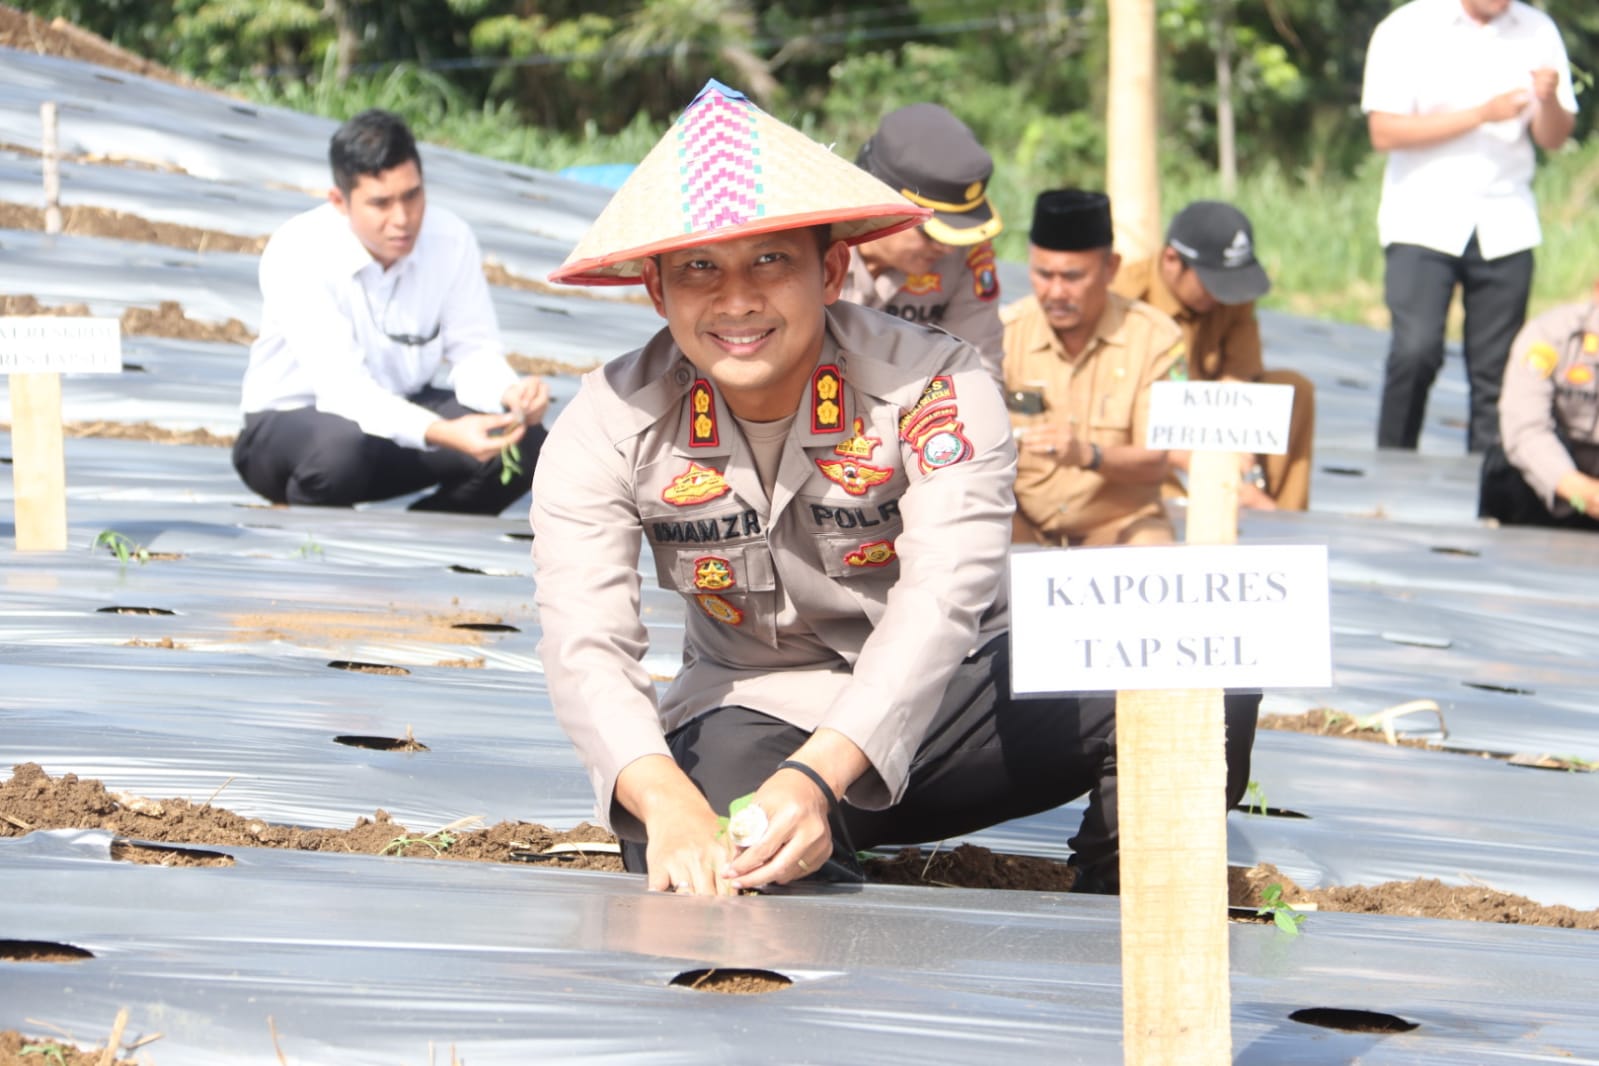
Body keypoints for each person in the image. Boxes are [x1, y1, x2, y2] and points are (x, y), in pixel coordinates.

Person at [531, 81, 1259, 898]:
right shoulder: (605, 422)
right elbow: (583, 639)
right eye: (699, 268)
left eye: (770, 259)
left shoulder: (939, 388)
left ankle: (1128, 908)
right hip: (763, 699)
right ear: (656, 290)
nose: (736, 299)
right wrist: (662, 799)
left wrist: (816, 778)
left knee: (1204, 657)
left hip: (964, 686)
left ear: (832, 268)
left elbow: (942, 600)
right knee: (725, 866)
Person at [233, 109, 550, 514]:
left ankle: (425, 546)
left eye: (412, 196)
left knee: (525, 442)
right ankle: (307, 543)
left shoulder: (449, 239)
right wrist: (444, 433)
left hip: (402, 413)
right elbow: (344, 391)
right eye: (380, 203)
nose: (402, 219)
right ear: (339, 202)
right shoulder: (299, 250)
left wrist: (510, 392)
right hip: (291, 428)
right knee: (340, 451)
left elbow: (473, 350)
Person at [1361, 0, 1577, 454]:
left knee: (1497, 369)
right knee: (1415, 352)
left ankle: (1491, 497)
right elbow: (1384, 132)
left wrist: (1550, 98)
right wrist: (1481, 114)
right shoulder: (1407, 27)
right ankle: (1390, 470)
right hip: (1422, 216)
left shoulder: (1538, 30)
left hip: (1506, 220)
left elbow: (1553, 139)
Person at [1002, 189, 1184, 547]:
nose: (1055, 292)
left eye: (1072, 277)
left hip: (1118, 528)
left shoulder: (1157, 339)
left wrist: (1088, 454)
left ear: (1111, 268)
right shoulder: (1005, 334)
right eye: (1042, 274)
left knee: (1154, 550)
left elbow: (1157, 460)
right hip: (1023, 526)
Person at [1112, 200, 1316, 511]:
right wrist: (1187, 456)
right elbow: (1115, 405)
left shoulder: (1231, 296)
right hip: (1144, 426)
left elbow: (1238, 377)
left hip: (1208, 416)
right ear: (1171, 260)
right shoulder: (1124, 299)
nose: (1223, 296)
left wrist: (1237, 446)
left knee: (1294, 390)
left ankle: (1279, 520)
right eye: (1213, 284)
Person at [842, 103, 1005, 387]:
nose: (948, 250)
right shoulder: (808, 245)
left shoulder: (967, 256)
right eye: (932, 234)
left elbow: (978, 375)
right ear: (878, 200)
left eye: (957, 235)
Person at [1478, 281, 1599, 530]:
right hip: (1553, 481)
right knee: (1504, 463)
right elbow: (1525, 430)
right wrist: (1583, 494)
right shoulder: (1549, 335)